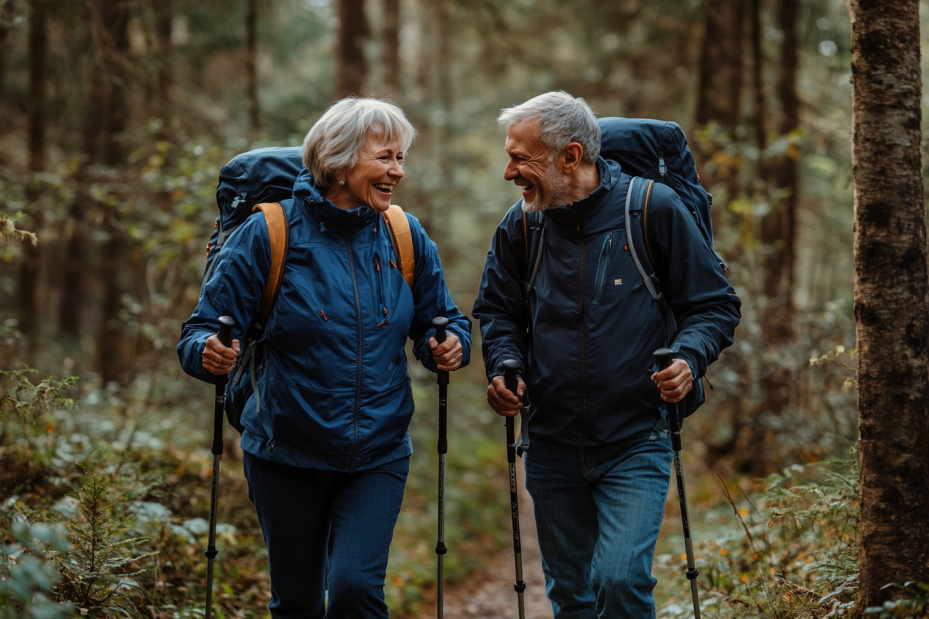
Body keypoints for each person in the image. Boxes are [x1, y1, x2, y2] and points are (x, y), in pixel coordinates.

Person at [178, 97, 471, 618]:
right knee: (298, 602)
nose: (398, 172)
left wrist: (447, 345)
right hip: (286, 454)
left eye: (400, 158)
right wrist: (209, 353)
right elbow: (199, 331)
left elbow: (443, 321)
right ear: (339, 160)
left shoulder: (405, 235)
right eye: (385, 157)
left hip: (378, 453)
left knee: (357, 590)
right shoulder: (268, 234)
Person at [473, 91, 741, 618]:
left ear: (569, 158)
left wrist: (689, 357)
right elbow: (498, 312)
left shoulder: (651, 210)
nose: (509, 172)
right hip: (550, 441)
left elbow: (713, 305)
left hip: (637, 436)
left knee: (619, 582)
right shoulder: (521, 226)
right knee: (571, 596)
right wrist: (506, 365)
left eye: (520, 158)